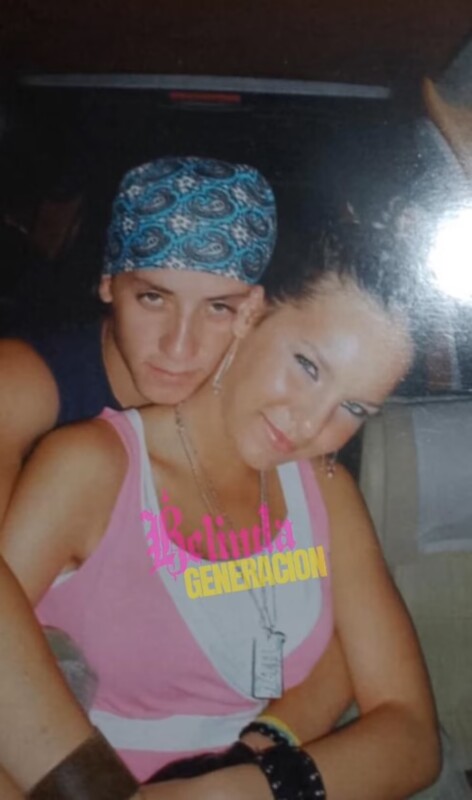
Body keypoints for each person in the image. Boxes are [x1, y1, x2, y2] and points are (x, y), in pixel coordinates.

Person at [0, 200, 441, 800]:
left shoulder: (326, 491)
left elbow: (412, 734)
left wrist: (231, 790)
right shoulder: (92, 467)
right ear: (250, 313)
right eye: (308, 366)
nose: (310, 424)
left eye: (354, 407)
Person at [0, 155, 277, 523]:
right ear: (108, 283)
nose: (179, 347)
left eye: (218, 307)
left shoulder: (265, 411)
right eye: (153, 298)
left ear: (252, 309)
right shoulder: (20, 383)